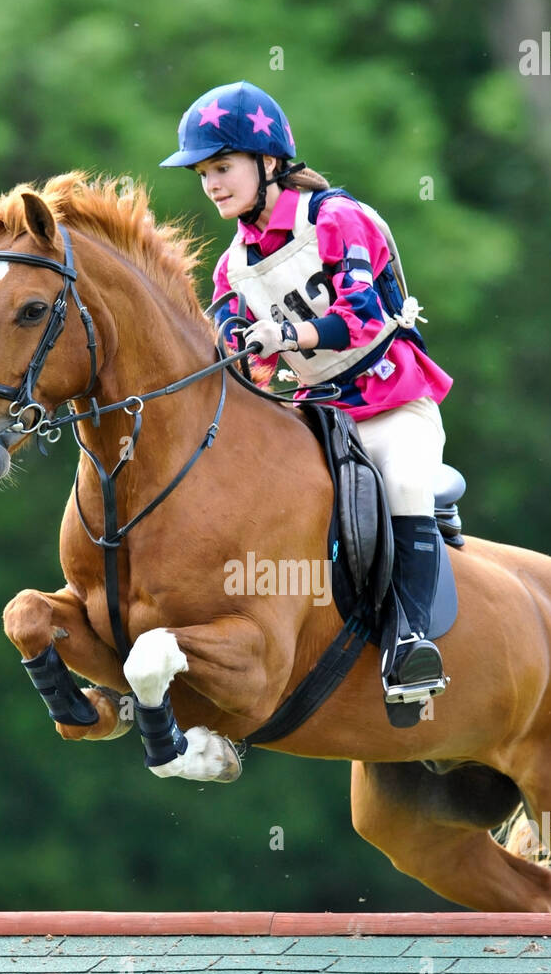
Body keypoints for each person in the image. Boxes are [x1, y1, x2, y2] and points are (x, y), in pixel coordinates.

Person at [160, 80, 454, 706]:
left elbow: (363, 319)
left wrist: (285, 332)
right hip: (316, 413)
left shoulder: (336, 218)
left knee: (402, 484)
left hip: (390, 400)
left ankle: (410, 641)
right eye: (203, 173)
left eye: (222, 166)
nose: (210, 183)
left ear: (269, 163)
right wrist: (240, 342)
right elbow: (235, 343)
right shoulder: (231, 263)